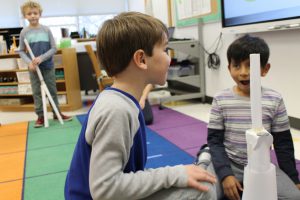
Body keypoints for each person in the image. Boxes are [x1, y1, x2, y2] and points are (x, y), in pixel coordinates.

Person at [64, 12, 217, 200]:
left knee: (202, 179)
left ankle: (203, 165)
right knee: (202, 191)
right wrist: (175, 174)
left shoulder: (123, 101)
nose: (169, 59)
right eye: (165, 50)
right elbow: (105, 190)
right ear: (142, 59)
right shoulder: (116, 110)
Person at [201, 34, 300, 200]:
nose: (243, 73)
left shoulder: (274, 100)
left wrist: (293, 178)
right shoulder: (221, 99)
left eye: (250, 66)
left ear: (265, 69)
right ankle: (205, 157)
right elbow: (215, 141)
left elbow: (283, 144)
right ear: (229, 68)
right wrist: (225, 175)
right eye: (237, 66)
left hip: (260, 164)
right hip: (229, 162)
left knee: (294, 197)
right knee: (204, 195)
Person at [19, 0, 72, 128]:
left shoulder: (46, 30)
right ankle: (40, 117)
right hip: (33, 69)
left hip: (47, 66)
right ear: (25, 16)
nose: (32, 16)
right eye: (29, 14)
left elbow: (53, 48)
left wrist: (41, 58)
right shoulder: (24, 32)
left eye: (35, 13)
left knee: (52, 90)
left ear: (40, 14)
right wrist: (29, 63)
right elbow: (21, 51)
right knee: (37, 92)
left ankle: (56, 112)